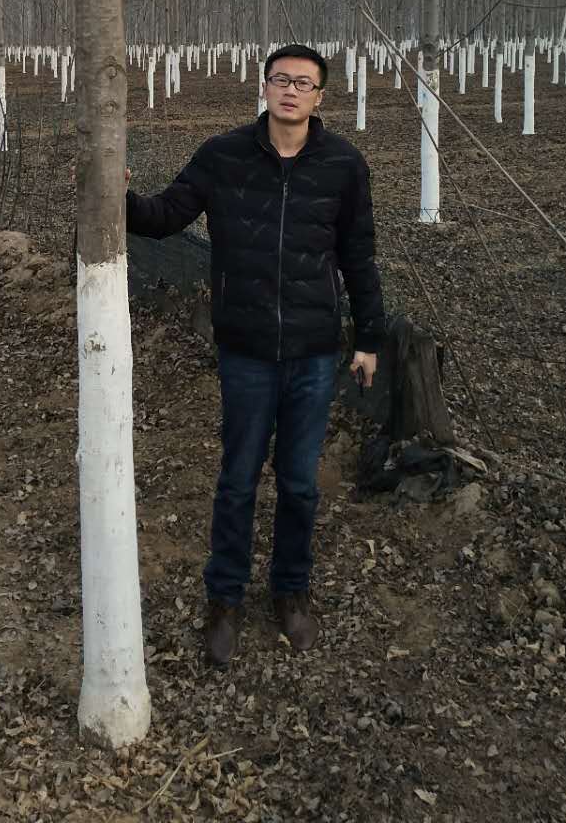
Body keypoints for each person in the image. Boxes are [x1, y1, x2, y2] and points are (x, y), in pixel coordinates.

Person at [126, 43, 386, 668]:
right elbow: (166, 215)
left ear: (320, 97)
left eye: (303, 83)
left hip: (313, 351)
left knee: (299, 482)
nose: (290, 90)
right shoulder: (223, 155)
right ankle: (225, 599)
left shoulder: (343, 165)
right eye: (280, 79)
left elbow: (359, 255)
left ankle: (291, 591)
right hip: (245, 349)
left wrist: (369, 338)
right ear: (264, 87)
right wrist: (117, 195)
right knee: (238, 478)